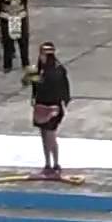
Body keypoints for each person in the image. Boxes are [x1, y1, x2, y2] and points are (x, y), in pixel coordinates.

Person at [26, 42, 70, 175]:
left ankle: (56, 163)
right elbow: (29, 83)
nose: (41, 57)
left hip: (53, 106)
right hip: (41, 105)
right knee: (44, 136)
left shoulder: (57, 70)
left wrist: (63, 103)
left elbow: (61, 88)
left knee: (50, 135)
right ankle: (47, 163)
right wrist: (31, 78)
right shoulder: (37, 69)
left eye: (43, 54)